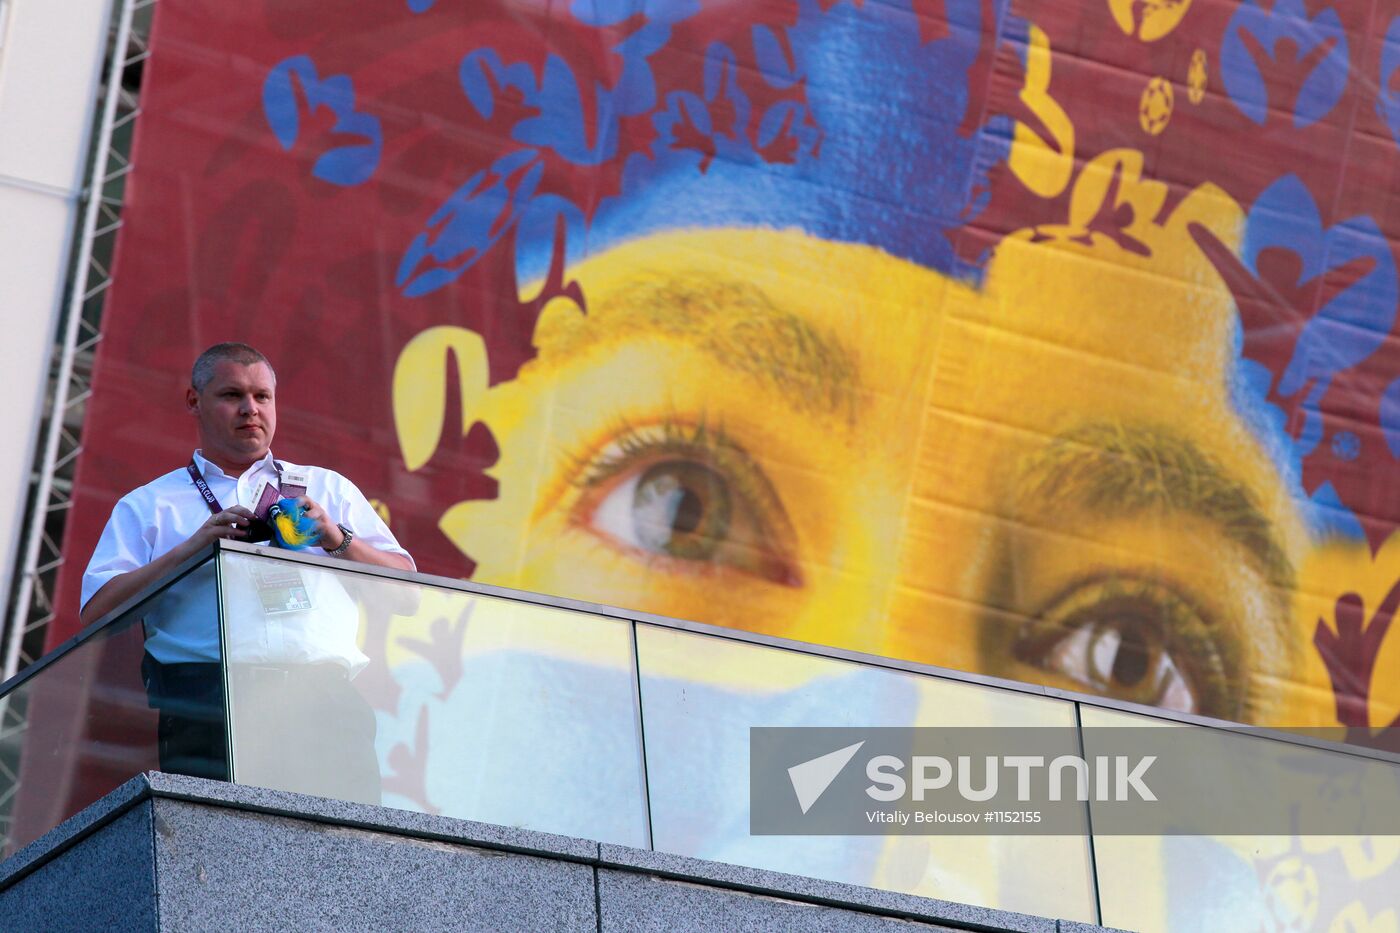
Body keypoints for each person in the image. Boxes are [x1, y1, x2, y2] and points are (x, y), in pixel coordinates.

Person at [81, 342, 414, 801]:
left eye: (262, 396)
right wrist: (192, 550)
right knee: (217, 861)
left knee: (345, 859)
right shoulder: (149, 504)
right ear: (194, 401)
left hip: (322, 701)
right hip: (205, 704)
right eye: (232, 395)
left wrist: (338, 539)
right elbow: (97, 614)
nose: (250, 410)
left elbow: (407, 595)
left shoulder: (326, 488)